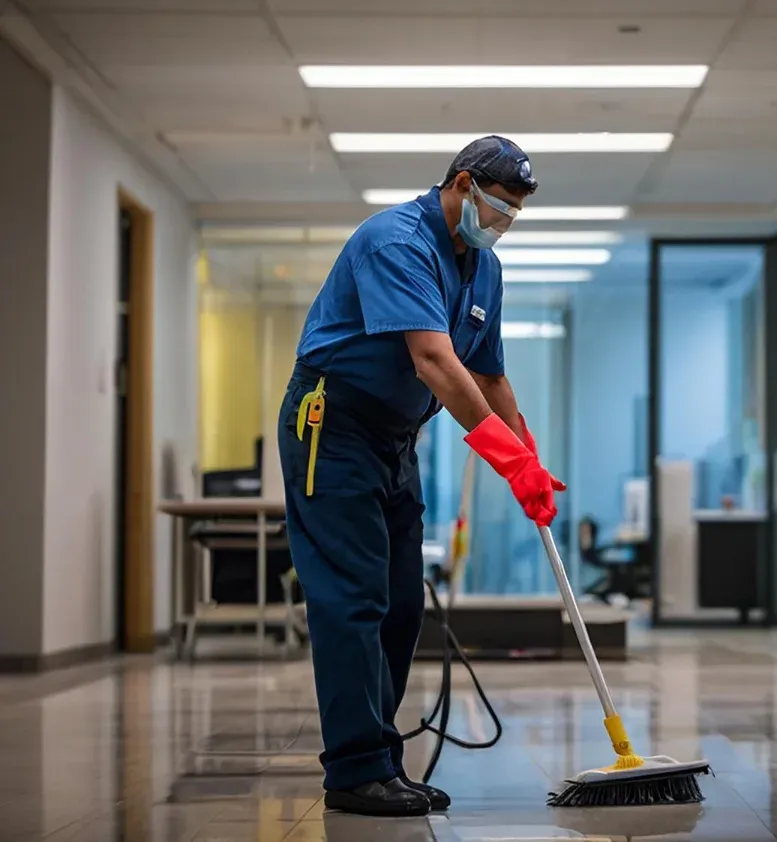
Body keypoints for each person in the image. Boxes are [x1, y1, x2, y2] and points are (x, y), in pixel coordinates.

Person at [278, 136, 565, 817]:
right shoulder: (395, 241)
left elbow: (489, 375)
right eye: (496, 206)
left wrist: (531, 460)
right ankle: (355, 770)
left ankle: (381, 760)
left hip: (395, 436)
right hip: (333, 423)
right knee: (353, 599)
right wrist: (504, 459)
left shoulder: (484, 272)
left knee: (404, 602)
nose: (501, 223)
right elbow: (434, 360)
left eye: (512, 215)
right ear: (462, 184)